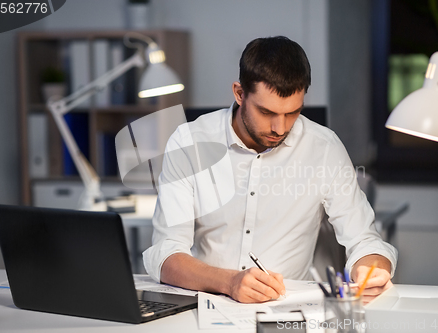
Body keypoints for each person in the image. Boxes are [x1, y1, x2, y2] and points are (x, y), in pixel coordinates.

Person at [143, 36, 397, 304]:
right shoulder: (188, 142)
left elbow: (365, 240)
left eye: (292, 113)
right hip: (206, 302)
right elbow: (165, 253)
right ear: (240, 94)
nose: (280, 128)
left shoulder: (324, 148)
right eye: (267, 112)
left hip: (287, 309)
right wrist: (229, 282)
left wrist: (371, 268)